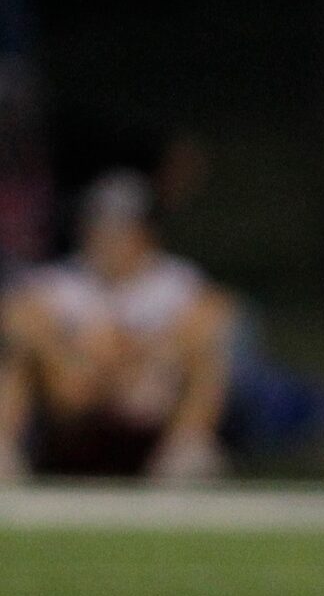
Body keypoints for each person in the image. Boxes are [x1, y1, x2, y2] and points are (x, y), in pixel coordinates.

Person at [0, 171, 236, 482]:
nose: (106, 238)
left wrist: (137, 354)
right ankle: (4, 452)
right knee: (20, 358)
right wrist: (68, 356)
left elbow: (218, 316)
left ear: (145, 233)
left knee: (206, 358)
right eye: (99, 226)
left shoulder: (174, 281)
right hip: (74, 408)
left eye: (119, 228)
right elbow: (15, 316)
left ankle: (185, 454)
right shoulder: (63, 281)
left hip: (149, 405)